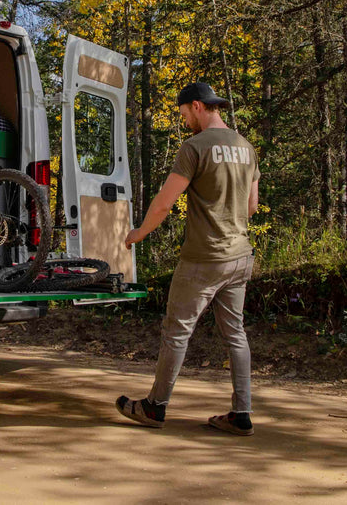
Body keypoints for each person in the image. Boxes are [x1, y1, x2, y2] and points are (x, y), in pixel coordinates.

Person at [115, 81, 260, 436]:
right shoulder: (246, 147)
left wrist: (139, 233)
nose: (184, 122)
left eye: (184, 114)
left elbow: (165, 202)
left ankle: (155, 407)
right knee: (236, 336)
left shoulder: (195, 147)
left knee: (176, 333)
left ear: (197, 106)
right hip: (240, 256)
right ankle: (242, 414)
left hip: (203, 259)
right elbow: (252, 206)